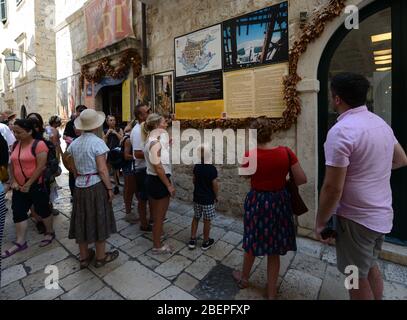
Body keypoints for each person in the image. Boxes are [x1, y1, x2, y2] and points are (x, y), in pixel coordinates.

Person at [316, 72, 407, 300]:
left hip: (355, 219)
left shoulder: (341, 132)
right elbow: (401, 159)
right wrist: (372, 171)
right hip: (381, 214)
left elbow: (332, 188)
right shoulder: (380, 124)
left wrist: (320, 222)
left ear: (337, 99)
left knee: (353, 275)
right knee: (370, 264)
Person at [232, 117, 307, 300]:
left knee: (252, 240)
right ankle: (271, 293)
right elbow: (302, 179)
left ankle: (243, 279)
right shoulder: (286, 152)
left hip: (258, 201)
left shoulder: (251, 155)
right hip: (279, 201)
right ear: (272, 133)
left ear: (253, 136)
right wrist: (283, 179)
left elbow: (243, 175)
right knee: (274, 249)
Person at [66, 109, 119, 269]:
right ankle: (101, 257)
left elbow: (72, 168)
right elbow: (102, 170)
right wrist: (109, 188)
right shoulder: (98, 143)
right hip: (96, 185)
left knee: (81, 219)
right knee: (99, 217)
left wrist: (79, 179)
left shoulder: (74, 144)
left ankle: (84, 257)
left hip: (80, 185)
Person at [1, 119, 55, 259]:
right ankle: (20, 241)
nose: (16, 134)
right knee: (18, 211)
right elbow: (12, 164)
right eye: (14, 131)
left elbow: (41, 167)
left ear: (30, 131)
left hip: (36, 185)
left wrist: (29, 183)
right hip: (18, 187)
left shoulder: (39, 145)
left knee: (43, 209)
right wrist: (13, 181)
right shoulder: (15, 145)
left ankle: (49, 232)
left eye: (19, 132)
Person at [143, 113, 175, 254]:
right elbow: (158, 167)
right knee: (159, 218)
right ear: (157, 125)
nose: (166, 124)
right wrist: (168, 185)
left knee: (156, 215)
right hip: (158, 180)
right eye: (163, 122)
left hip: (152, 179)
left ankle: (158, 236)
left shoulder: (150, 139)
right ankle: (157, 246)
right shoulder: (154, 142)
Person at [188, 144, 219, 251]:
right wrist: (216, 196)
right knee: (207, 220)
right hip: (208, 199)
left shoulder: (197, 167)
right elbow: (214, 184)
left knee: (196, 218)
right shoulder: (212, 169)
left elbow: (194, 180)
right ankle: (205, 242)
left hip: (197, 197)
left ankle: (192, 240)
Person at [130, 104, 153, 232]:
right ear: (140, 115)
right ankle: (144, 224)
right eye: (147, 111)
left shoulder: (144, 129)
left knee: (147, 197)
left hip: (146, 168)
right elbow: (137, 154)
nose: (150, 112)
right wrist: (154, 153)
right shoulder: (139, 131)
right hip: (142, 169)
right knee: (143, 199)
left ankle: (149, 219)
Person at [63, 105, 87, 200]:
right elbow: (64, 136)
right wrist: (72, 140)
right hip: (72, 151)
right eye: (80, 111)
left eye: (84, 111)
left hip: (85, 150)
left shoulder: (88, 122)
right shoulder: (70, 123)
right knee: (72, 172)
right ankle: (74, 194)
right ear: (76, 112)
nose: (81, 113)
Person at [121, 121, 138, 224]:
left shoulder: (131, 137)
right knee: (129, 190)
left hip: (132, 167)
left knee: (132, 189)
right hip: (129, 167)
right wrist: (139, 156)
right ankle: (128, 213)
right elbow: (126, 156)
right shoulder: (128, 139)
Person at [103, 115, 124, 195]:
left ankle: (116, 186)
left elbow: (122, 139)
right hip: (108, 152)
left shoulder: (119, 129)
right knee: (108, 169)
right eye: (111, 120)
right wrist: (107, 134)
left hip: (117, 152)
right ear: (107, 122)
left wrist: (115, 133)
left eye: (114, 120)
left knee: (116, 170)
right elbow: (103, 141)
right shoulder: (105, 131)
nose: (113, 122)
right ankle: (108, 186)